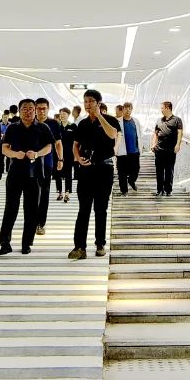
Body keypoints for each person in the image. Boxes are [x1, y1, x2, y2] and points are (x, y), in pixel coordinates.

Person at [0, 98, 54, 255]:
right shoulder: (12, 128)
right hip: (15, 172)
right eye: (24, 108)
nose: (28, 111)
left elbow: (49, 147)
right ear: (19, 110)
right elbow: (4, 149)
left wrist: (36, 154)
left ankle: (26, 243)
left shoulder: (42, 127)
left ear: (35, 110)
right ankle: (4, 242)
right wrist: (15, 154)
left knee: (31, 210)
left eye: (31, 108)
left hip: (35, 173)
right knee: (10, 208)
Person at [69, 89, 119, 260]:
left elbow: (112, 134)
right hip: (86, 170)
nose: (87, 104)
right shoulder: (82, 124)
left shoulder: (110, 120)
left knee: (100, 208)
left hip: (104, 169)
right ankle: (79, 247)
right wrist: (78, 158)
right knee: (83, 209)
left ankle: (100, 244)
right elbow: (75, 145)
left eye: (91, 101)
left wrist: (99, 116)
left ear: (98, 103)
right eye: (85, 101)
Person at [33, 98, 64, 235]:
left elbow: (58, 143)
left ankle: (40, 223)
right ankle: (31, 221)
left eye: (44, 108)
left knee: (44, 193)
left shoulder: (53, 123)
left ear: (48, 109)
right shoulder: (29, 122)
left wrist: (61, 159)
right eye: (39, 108)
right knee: (31, 193)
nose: (41, 111)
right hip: (29, 164)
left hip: (47, 163)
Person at [152, 100, 184, 197]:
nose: (161, 110)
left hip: (170, 150)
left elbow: (180, 133)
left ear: (168, 108)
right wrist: (153, 144)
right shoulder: (159, 120)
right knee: (159, 171)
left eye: (162, 108)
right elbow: (155, 133)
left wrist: (178, 144)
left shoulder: (177, 120)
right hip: (159, 150)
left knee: (169, 170)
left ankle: (168, 190)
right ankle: (159, 190)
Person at [117, 102, 142, 195]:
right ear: (122, 109)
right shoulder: (118, 121)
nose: (128, 110)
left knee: (136, 169)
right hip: (122, 151)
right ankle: (124, 190)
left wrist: (140, 147)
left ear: (131, 110)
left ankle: (131, 181)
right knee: (122, 172)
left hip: (134, 150)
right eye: (126, 108)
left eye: (129, 108)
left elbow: (140, 134)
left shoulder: (136, 121)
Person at [56, 107, 76, 202]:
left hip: (69, 153)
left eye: (64, 114)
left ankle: (67, 192)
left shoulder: (73, 126)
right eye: (61, 114)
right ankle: (60, 192)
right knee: (58, 172)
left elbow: (76, 141)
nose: (62, 116)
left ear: (68, 115)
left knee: (68, 172)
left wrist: (76, 154)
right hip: (58, 153)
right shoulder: (57, 126)